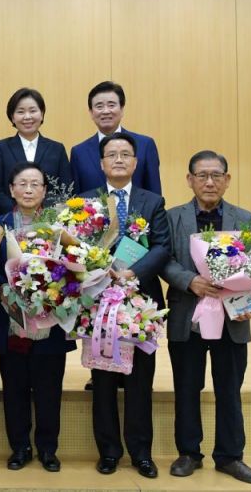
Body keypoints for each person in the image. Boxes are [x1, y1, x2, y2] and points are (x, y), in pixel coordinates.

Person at [163, 151, 251, 485]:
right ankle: (188, 453)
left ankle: (230, 456)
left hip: (232, 318)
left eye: (216, 175)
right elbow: (163, 260)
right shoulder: (172, 218)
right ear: (189, 180)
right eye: (202, 175)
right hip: (187, 316)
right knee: (187, 388)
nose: (209, 182)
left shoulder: (244, 219)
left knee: (229, 389)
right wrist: (189, 280)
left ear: (227, 180)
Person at [83, 132, 171, 480]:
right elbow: (77, 245)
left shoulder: (153, 201)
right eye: (112, 154)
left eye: (125, 154)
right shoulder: (86, 201)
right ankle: (108, 452)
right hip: (100, 300)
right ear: (101, 163)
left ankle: (141, 453)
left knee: (140, 381)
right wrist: (100, 271)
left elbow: (162, 246)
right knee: (102, 380)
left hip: (141, 300)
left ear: (135, 163)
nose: (118, 159)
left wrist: (133, 272)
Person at [0, 161, 76, 473]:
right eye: (22, 184)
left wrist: (55, 291)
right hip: (11, 320)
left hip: (50, 320)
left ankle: (48, 449)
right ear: (11, 189)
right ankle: (19, 447)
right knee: (14, 388)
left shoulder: (60, 227)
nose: (28, 190)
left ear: (44, 190)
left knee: (49, 388)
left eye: (35, 184)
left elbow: (75, 269)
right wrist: (5, 291)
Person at [0, 87, 73, 214]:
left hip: (49, 219)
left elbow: (65, 187)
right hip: (10, 218)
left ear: (42, 114)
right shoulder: (2, 147)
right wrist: (16, 212)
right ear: (12, 117)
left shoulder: (57, 149)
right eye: (20, 112)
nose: (27, 117)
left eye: (33, 111)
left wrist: (45, 214)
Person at [70, 81, 161, 196]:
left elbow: (154, 195)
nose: (106, 111)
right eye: (99, 106)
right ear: (91, 113)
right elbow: (75, 198)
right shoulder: (79, 152)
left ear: (122, 109)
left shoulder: (145, 145)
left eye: (111, 105)